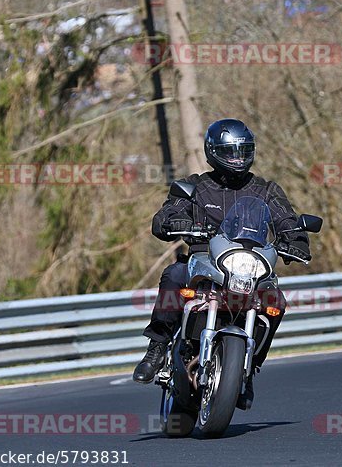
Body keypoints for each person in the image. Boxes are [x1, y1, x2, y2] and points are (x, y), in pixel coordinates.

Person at [132, 118, 311, 409]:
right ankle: (156, 348)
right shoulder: (195, 186)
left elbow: (288, 221)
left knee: (276, 301)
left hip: (251, 266)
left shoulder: (266, 190)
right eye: (231, 152)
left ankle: (249, 368)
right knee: (174, 275)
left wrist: (296, 240)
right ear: (213, 151)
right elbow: (166, 216)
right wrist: (173, 221)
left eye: (243, 151)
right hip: (205, 262)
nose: (238, 158)